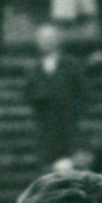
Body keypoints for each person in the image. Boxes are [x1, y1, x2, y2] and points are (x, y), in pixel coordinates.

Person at [24, 24, 85, 168]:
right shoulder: (34, 68)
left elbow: (83, 93)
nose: (47, 42)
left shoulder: (71, 64)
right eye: (43, 39)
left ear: (58, 40)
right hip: (45, 128)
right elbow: (27, 93)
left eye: (50, 38)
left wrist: (73, 111)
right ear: (38, 42)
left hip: (68, 126)